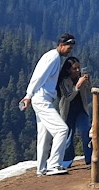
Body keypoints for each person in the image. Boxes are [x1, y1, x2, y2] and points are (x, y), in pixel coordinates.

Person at [21, 33, 76, 176]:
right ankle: (53, 165)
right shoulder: (53, 58)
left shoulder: (53, 57)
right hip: (41, 99)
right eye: (69, 47)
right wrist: (28, 95)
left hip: (41, 99)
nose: (70, 50)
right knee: (62, 130)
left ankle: (41, 169)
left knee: (44, 136)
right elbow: (38, 76)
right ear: (62, 45)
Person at [56, 56, 94, 171]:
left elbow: (89, 92)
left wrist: (87, 82)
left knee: (85, 132)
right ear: (68, 70)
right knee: (68, 136)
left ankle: (90, 159)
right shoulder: (63, 81)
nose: (78, 70)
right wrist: (77, 86)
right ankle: (66, 161)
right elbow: (68, 97)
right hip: (68, 111)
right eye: (75, 68)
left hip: (81, 109)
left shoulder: (80, 78)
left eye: (79, 68)